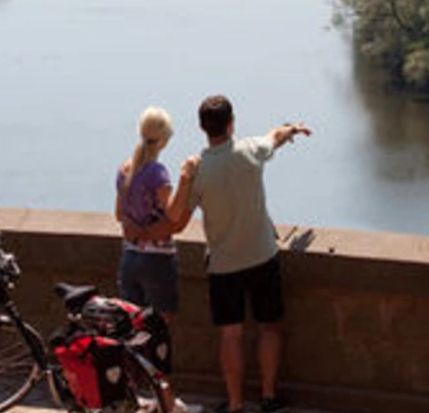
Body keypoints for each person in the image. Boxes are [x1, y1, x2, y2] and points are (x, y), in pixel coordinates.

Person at [163, 95, 311, 413]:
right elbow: (276, 137)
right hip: (262, 255)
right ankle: (269, 397)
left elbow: (176, 222)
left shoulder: (199, 170)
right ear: (232, 123)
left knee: (231, 334)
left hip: (223, 264)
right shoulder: (250, 150)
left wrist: (185, 179)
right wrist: (292, 128)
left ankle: (235, 404)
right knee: (269, 326)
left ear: (203, 127)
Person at [114, 107, 181, 324]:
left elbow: (118, 214)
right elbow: (173, 214)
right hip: (157, 260)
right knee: (159, 328)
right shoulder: (157, 172)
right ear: (164, 140)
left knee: (133, 329)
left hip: (130, 258)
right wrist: (188, 185)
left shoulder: (125, 170)